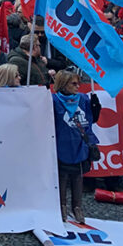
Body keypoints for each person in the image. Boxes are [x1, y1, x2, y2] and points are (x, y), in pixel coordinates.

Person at [52, 70, 99, 223]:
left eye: (78, 83)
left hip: (79, 142)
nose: (78, 86)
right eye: (74, 83)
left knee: (78, 176)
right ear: (63, 84)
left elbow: (91, 120)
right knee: (62, 177)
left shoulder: (83, 99)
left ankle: (77, 207)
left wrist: (95, 106)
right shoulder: (53, 100)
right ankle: (61, 206)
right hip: (61, 143)